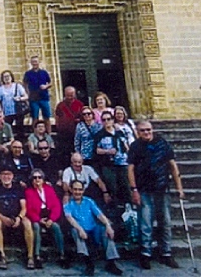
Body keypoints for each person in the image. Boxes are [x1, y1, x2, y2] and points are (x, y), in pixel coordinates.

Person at [127, 120, 184, 270]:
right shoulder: (135, 146)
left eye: (149, 130)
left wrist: (179, 187)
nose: (147, 133)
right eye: (143, 131)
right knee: (145, 223)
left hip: (162, 188)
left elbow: (172, 164)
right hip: (144, 190)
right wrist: (134, 190)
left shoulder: (162, 143)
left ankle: (166, 253)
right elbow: (130, 169)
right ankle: (145, 254)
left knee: (165, 221)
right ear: (138, 132)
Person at [63, 180, 123, 276]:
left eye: (80, 189)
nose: (77, 192)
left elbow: (99, 215)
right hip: (80, 229)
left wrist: (108, 225)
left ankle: (111, 263)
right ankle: (89, 264)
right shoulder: (68, 203)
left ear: (83, 190)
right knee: (75, 231)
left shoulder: (89, 201)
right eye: (75, 189)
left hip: (93, 229)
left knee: (105, 231)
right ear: (71, 190)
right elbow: (69, 218)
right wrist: (80, 229)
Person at [0, 165, 34, 270]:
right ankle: (2, 256)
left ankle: (30, 256)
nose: (6, 177)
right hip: (2, 217)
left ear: (13, 176)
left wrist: (19, 218)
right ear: (0, 176)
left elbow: (24, 207)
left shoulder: (18, 188)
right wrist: (3, 218)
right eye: (3, 174)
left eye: (8, 174)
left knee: (27, 223)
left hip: (17, 216)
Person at [24, 169, 68, 269]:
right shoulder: (28, 192)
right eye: (34, 178)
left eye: (39, 177)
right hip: (37, 216)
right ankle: (37, 255)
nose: (37, 179)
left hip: (49, 216)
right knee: (36, 226)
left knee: (56, 227)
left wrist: (51, 219)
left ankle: (62, 254)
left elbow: (56, 206)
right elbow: (29, 209)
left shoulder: (49, 189)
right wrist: (39, 219)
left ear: (43, 179)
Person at [93, 112, 130, 205]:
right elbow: (96, 150)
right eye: (104, 120)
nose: (106, 122)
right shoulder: (99, 135)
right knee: (113, 188)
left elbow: (126, 145)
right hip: (108, 165)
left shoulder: (120, 132)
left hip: (122, 163)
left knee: (126, 187)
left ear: (113, 120)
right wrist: (107, 151)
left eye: (108, 119)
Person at [54, 86, 84, 164]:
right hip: (63, 134)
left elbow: (82, 117)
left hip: (76, 133)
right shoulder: (60, 105)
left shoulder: (79, 104)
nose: (70, 97)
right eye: (68, 95)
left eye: (72, 95)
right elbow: (57, 117)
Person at [23, 56, 52, 134]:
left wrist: (46, 86)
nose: (34, 63)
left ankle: (49, 134)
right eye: (33, 62)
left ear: (39, 62)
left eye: (36, 61)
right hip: (33, 99)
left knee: (47, 117)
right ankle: (35, 135)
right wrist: (27, 93)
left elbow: (50, 83)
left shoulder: (44, 72)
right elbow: (25, 84)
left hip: (44, 98)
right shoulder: (28, 73)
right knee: (34, 117)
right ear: (31, 63)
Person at [0, 70, 28, 138]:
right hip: (7, 112)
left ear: (11, 77)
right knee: (8, 128)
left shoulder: (17, 86)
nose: (7, 78)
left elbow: (26, 96)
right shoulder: (0, 89)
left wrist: (19, 99)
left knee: (20, 128)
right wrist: (1, 111)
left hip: (18, 111)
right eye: (4, 77)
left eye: (8, 76)